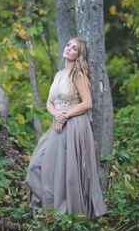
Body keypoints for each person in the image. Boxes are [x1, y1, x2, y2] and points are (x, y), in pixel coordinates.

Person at [25, 36, 107, 218]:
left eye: (74, 48)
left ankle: (68, 215)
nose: (69, 48)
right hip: (58, 123)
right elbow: (49, 103)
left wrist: (66, 115)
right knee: (37, 165)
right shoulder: (59, 75)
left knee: (66, 171)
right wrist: (57, 115)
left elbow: (87, 103)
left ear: (79, 55)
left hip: (75, 124)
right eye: (68, 45)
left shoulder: (77, 74)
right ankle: (48, 211)